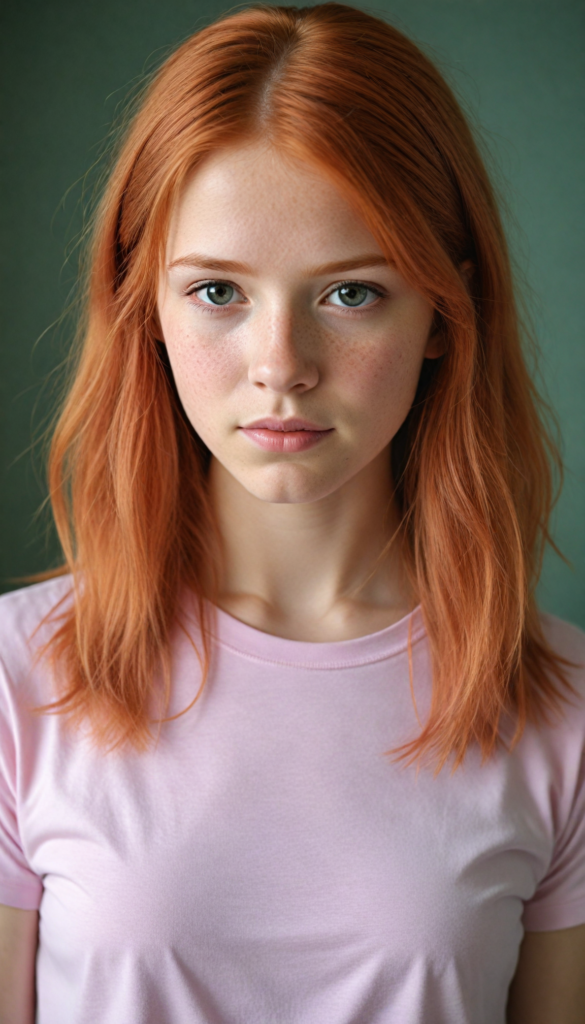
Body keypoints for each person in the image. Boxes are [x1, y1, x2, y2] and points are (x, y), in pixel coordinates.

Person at [1, 3, 584, 1022]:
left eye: (351, 294)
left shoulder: (564, 715)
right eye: (219, 291)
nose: (282, 367)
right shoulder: (16, 685)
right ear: (147, 309)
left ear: (448, 311)